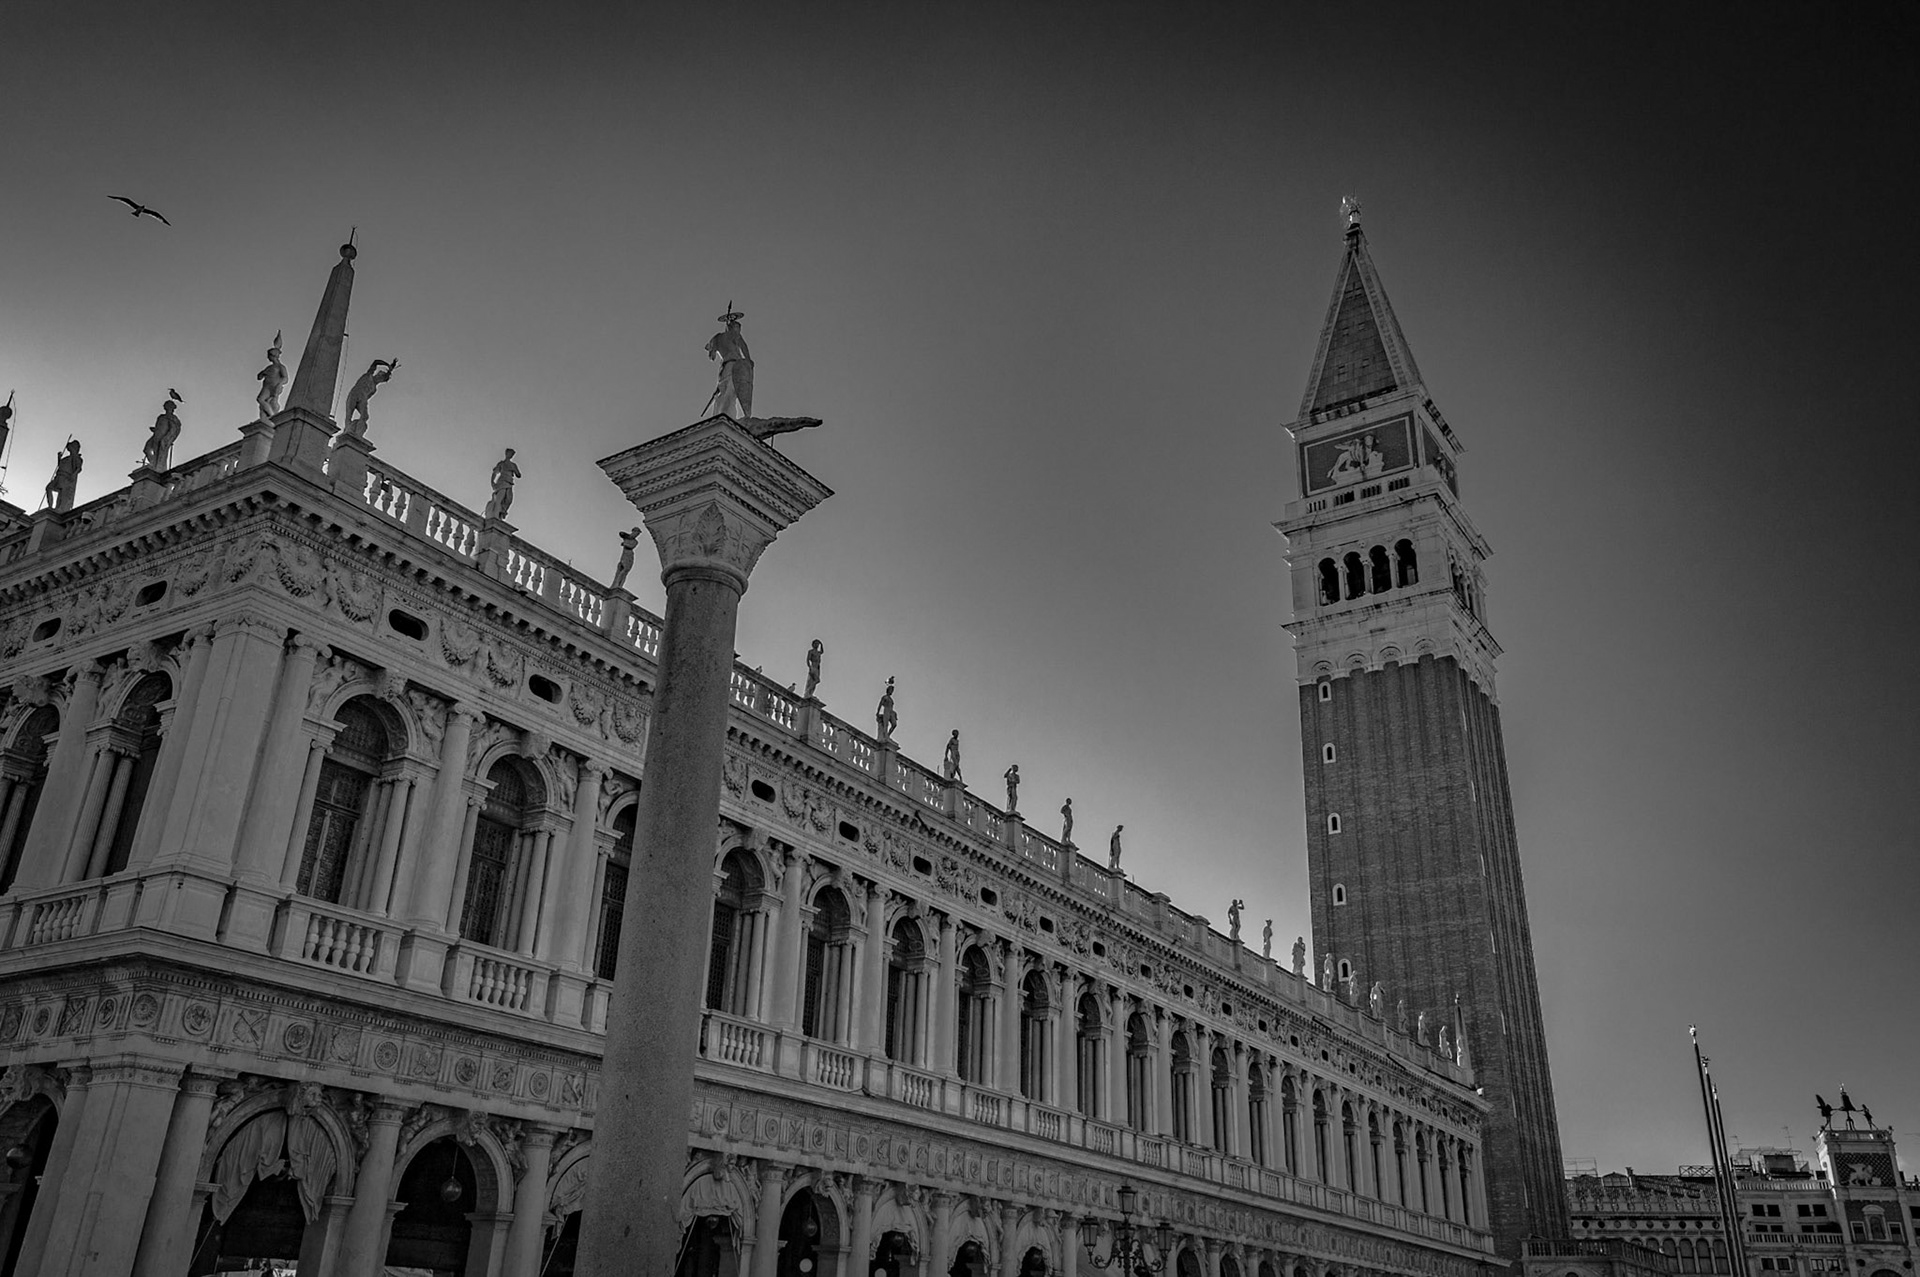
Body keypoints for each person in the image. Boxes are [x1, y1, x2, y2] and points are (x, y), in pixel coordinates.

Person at [703, 305, 754, 421]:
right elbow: (743, 346)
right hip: (734, 367)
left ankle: (718, 416)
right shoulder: (734, 335)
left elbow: (712, 356)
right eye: (737, 327)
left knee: (722, 393)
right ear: (732, 327)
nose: (738, 330)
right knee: (731, 393)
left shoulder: (717, 338)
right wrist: (749, 360)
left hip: (723, 369)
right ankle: (727, 417)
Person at [342, 359, 397, 438]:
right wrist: (387, 365)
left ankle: (357, 433)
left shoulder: (374, 389)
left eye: (381, 378)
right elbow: (375, 362)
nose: (379, 378)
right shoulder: (369, 375)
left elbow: (367, 398)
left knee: (365, 416)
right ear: (377, 374)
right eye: (380, 375)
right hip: (355, 393)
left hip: (363, 398)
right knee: (349, 414)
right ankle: (348, 429)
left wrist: (390, 370)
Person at [144, 398, 182, 471]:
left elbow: (174, 429)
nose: (166, 407)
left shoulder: (173, 418)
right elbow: (160, 427)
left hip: (163, 438)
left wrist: (167, 438)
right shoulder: (161, 417)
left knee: (161, 453)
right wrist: (155, 430)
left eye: (168, 405)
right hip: (156, 436)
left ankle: (158, 467)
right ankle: (153, 462)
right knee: (147, 448)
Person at [255, 334, 287, 420]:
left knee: (263, 400)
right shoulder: (269, 368)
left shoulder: (280, 367)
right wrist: (261, 374)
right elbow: (259, 377)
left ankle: (271, 416)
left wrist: (279, 385)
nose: (268, 358)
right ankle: (266, 417)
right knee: (261, 401)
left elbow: (285, 378)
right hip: (266, 386)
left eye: (269, 356)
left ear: (274, 356)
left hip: (274, 387)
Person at [45, 440, 82, 511]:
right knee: (48, 488)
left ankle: (58, 508)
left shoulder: (77, 458)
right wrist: (59, 458)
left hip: (65, 477)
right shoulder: (66, 458)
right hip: (58, 476)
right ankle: (50, 506)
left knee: (62, 494)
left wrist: (73, 475)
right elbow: (61, 465)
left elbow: (78, 468)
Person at [485, 448, 520, 521]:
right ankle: (496, 515)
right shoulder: (502, 464)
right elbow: (495, 473)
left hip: (509, 482)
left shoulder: (513, 465)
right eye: (510, 454)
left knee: (509, 499)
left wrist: (514, 469)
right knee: (500, 499)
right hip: (502, 482)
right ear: (506, 454)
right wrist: (492, 482)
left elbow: (519, 475)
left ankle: (501, 512)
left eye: (512, 455)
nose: (511, 455)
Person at [875, 677, 896, 743]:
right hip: (886, 711)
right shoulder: (885, 697)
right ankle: (885, 736)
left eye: (892, 691)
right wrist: (878, 712)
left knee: (894, 724)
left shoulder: (891, 700)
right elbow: (880, 704)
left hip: (891, 712)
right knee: (885, 724)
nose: (892, 692)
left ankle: (888, 735)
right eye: (891, 690)